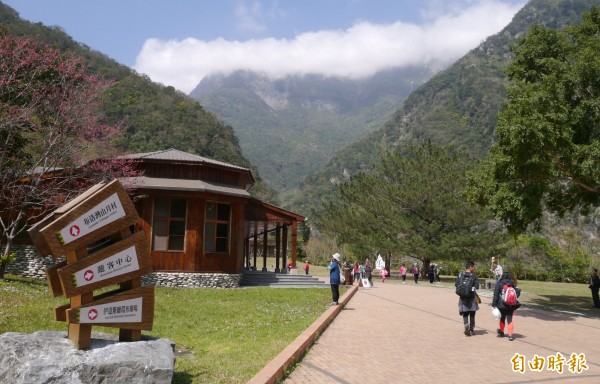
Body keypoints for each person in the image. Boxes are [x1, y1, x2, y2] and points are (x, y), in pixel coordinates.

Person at [492, 271, 521, 341]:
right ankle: (510, 335)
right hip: (511, 305)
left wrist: (494, 304)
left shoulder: (499, 283)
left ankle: (501, 331)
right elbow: (517, 293)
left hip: (501, 305)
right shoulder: (512, 284)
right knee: (510, 319)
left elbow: (495, 295)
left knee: (502, 318)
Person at [455, 261, 480, 336]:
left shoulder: (460, 275)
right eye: (473, 267)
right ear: (470, 267)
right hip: (472, 297)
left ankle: (466, 325)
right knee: (472, 314)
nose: (474, 268)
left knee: (465, 313)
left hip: (462, 297)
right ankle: (471, 330)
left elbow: (456, 284)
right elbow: (477, 287)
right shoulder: (474, 276)